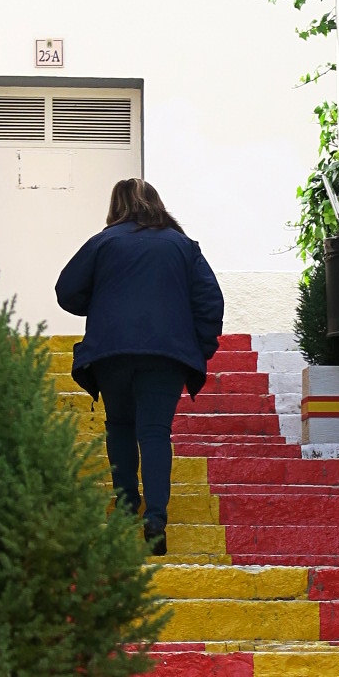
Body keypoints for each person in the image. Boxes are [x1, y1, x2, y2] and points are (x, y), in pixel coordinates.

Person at [56, 179, 224, 556]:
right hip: (166, 356)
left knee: (118, 425)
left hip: (111, 352)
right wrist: (200, 347)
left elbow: (66, 290)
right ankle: (157, 518)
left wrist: (103, 302)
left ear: (116, 206)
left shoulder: (103, 242)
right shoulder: (183, 247)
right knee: (154, 432)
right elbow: (210, 302)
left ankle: (127, 504)